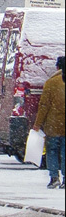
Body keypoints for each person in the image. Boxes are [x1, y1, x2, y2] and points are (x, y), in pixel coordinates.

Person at [32, 55, 65, 189]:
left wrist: (37, 123)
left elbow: (44, 105)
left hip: (54, 125)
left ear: (57, 67)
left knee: (52, 151)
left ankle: (54, 177)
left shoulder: (51, 83)